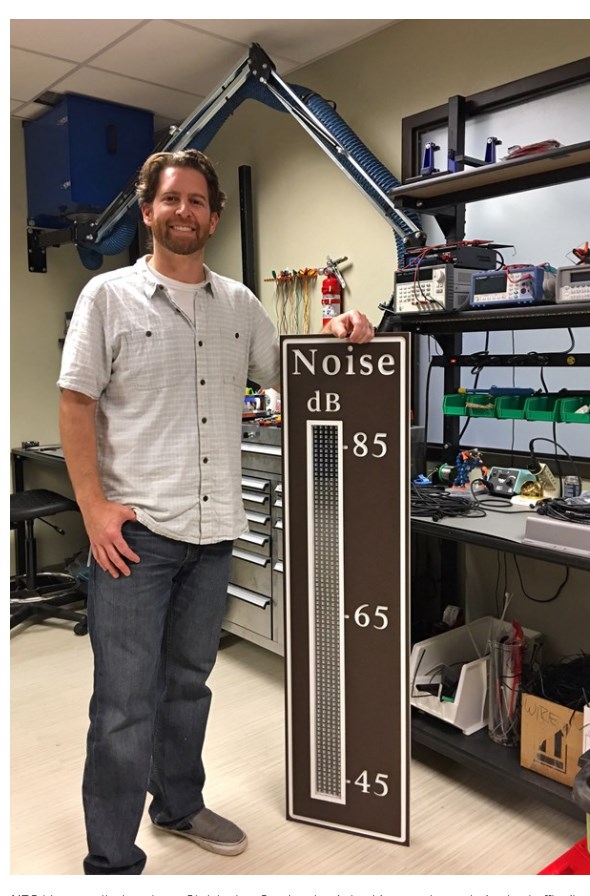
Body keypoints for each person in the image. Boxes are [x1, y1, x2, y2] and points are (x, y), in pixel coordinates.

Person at [58, 148, 375, 875]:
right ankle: (110, 857)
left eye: (198, 201)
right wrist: (94, 509)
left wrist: (343, 336)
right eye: (171, 199)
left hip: (214, 534)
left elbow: (293, 371)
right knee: (122, 705)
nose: (184, 211)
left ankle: (178, 804)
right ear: (148, 212)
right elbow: (76, 401)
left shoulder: (239, 306)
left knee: (186, 687)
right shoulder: (109, 298)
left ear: (214, 216)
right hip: (135, 537)